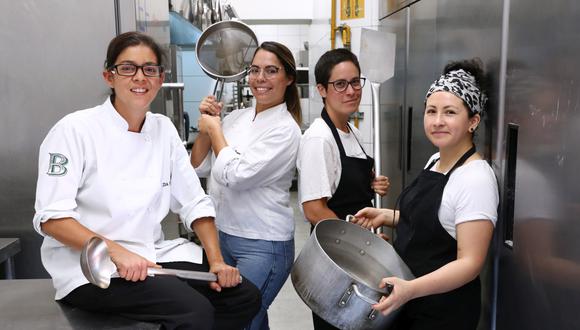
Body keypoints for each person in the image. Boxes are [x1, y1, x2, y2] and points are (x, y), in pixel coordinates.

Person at [33, 31, 260, 330]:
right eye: (128, 68)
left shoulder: (162, 129)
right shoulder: (74, 130)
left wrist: (216, 260)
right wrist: (117, 252)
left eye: (149, 69)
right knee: (193, 312)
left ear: (160, 78)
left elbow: (194, 201)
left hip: (151, 255)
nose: (140, 77)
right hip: (93, 267)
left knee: (242, 297)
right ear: (109, 76)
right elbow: (52, 218)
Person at [352, 59, 499, 329]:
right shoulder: (435, 160)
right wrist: (387, 215)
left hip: (442, 311)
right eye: (431, 111)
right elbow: (436, 221)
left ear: (473, 121)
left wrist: (411, 289)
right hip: (410, 300)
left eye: (450, 112)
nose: (437, 121)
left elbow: (470, 263)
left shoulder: (475, 178)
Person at [190, 41, 302, 330]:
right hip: (222, 235)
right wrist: (208, 125)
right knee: (248, 318)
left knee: (237, 320)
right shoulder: (237, 117)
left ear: (288, 78)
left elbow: (235, 176)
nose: (260, 79)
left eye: (270, 71)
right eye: (254, 70)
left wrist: (215, 129)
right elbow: (199, 165)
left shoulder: (286, 130)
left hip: (263, 243)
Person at [296, 48, 390, 330]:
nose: (351, 91)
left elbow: (347, 184)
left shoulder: (352, 132)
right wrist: (362, 245)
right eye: (340, 84)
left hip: (355, 257)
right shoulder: (319, 139)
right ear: (322, 90)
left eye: (355, 82)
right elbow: (314, 210)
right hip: (336, 264)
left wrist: (372, 184)